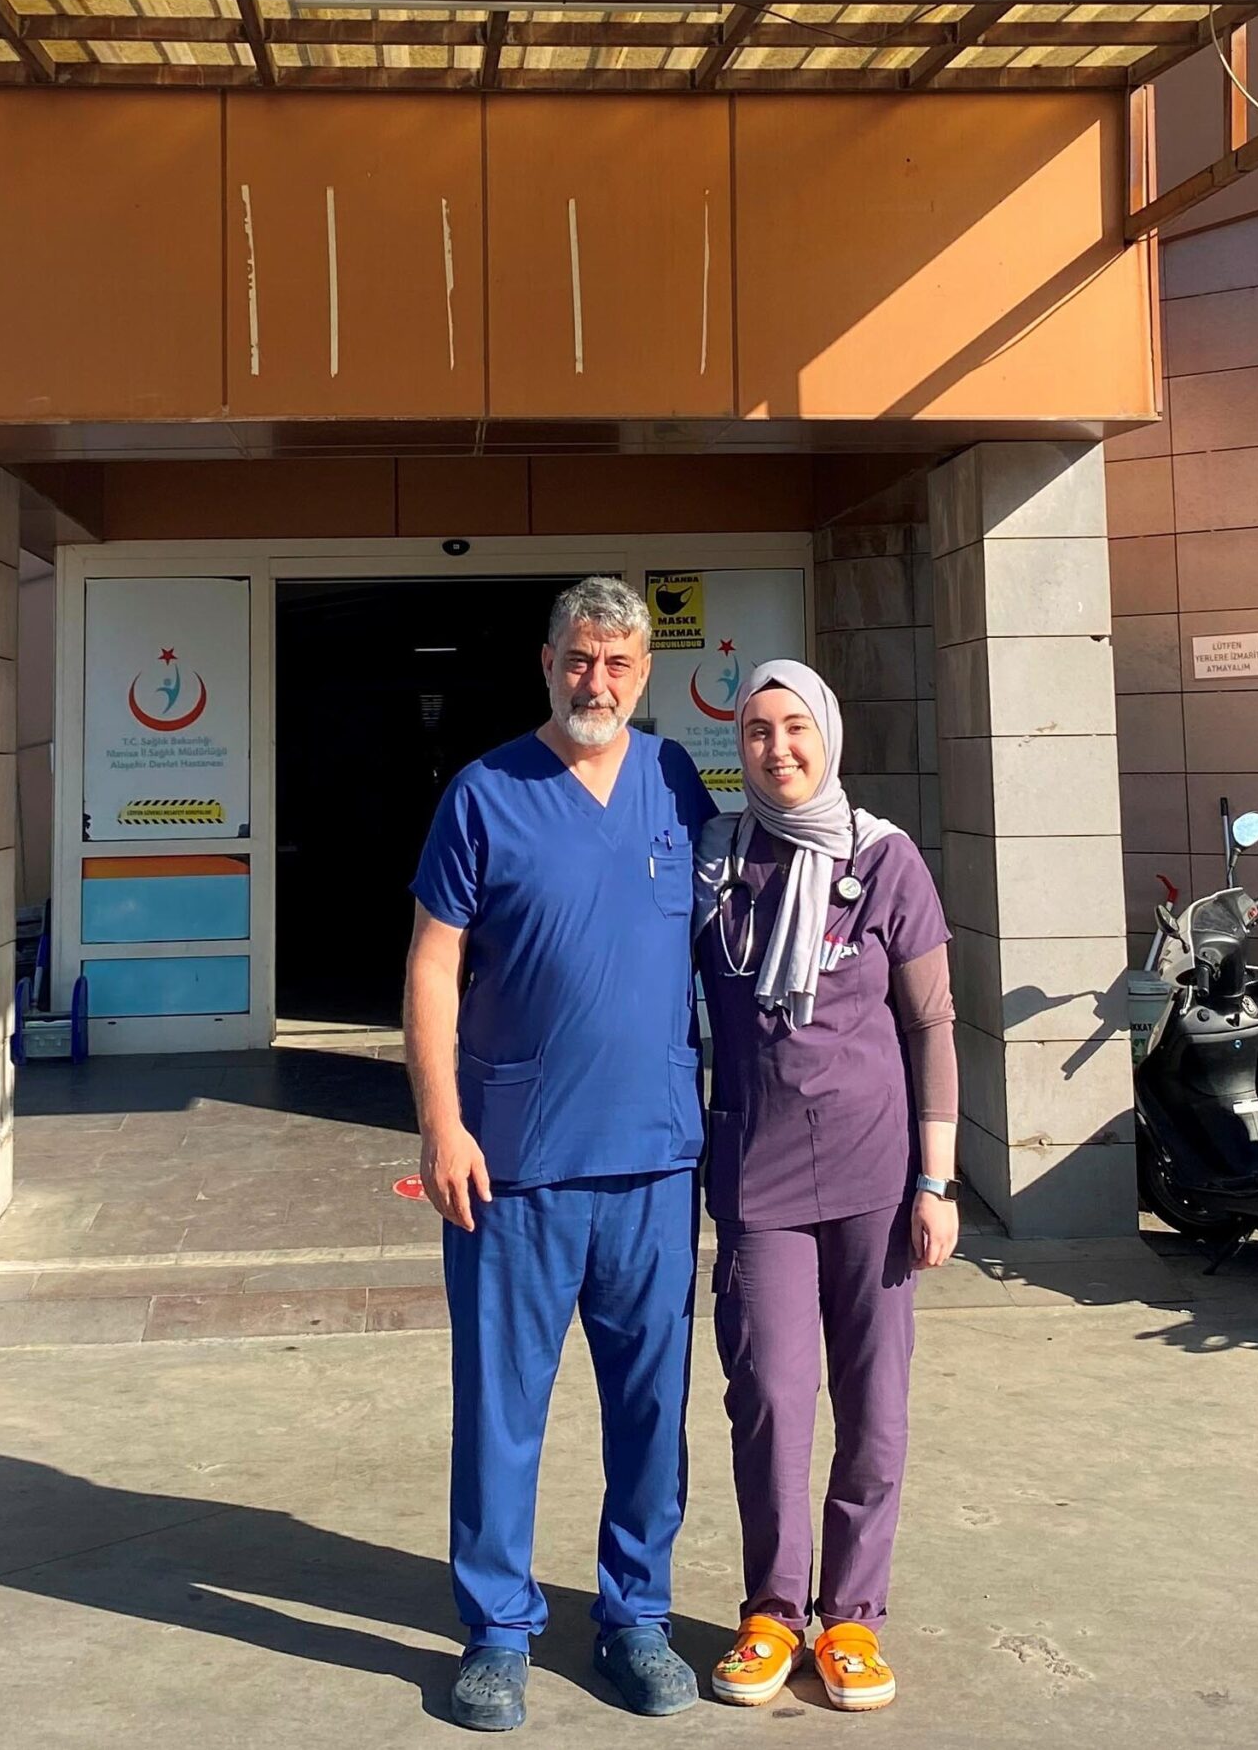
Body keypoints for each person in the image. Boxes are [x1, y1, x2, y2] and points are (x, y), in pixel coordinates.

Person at [404, 575, 717, 1732]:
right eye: (579, 658)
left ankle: (636, 1615)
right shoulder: (485, 793)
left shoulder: (675, 782)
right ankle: (497, 1630)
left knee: (651, 1407)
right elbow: (433, 962)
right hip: (514, 1165)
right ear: (546, 663)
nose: (597, 680)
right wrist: (441, 1121)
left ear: (643, 672)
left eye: (618, 662)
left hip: (652, 1162)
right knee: (501, 1408)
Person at [694, 660, 959, 1715]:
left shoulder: (884, 858)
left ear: (828, 736)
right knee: (767, 1394)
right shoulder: (718, 862)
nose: (778, 749)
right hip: (756, 1175)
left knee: (874, 1406)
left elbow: (931, 1024)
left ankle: (851, 1617)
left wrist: (936, 1180)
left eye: (795, 727)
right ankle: (772, 1611)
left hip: (874, 1178)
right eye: (758, 730)